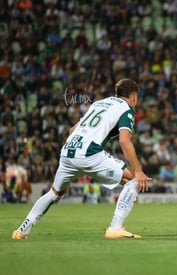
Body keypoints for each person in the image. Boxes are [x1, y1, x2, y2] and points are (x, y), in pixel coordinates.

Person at [12, 78, 152, 240]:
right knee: (134, 179)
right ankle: (115, 228)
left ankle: (21, 230)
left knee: (55, 193)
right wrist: (139, 170)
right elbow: (124, 140)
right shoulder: (126, 109)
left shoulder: (98, 104)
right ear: (134, 96)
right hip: (89, 153)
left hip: (68, 151)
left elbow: (72, 130)